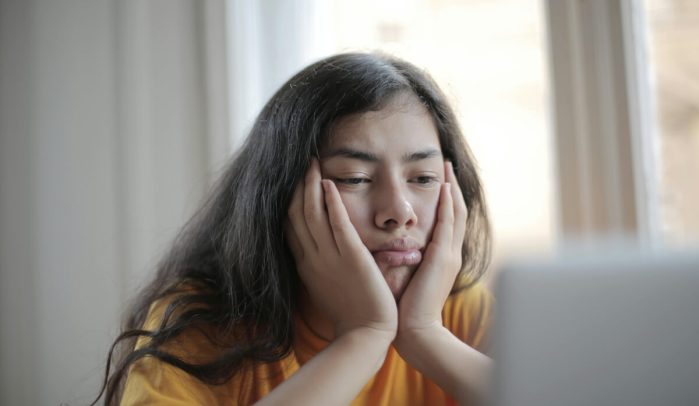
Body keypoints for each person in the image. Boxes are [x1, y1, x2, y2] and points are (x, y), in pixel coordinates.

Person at [93, 52, 494, 406]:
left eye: (422, 178)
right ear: (283, 198)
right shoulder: (202, 325)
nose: (399, 212)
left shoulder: (457, 310)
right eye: (354, 178)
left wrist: (426, 334)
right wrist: (364, 336)